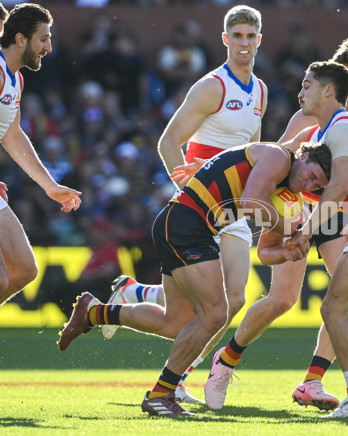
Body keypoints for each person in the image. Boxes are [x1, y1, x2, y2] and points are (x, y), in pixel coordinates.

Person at [189, 39, 348, 412]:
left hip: (346, 214)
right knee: (285, 299)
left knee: (341, 303)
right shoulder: (315, 122)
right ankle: (227, 361)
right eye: (346, 77)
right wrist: (215, 169)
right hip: (306, 208)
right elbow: (278, 154)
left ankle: (320, 381)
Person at [58, 141, 332, 418]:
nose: (308, 184)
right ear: (304, 155)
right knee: (214, 314)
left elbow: (265, 253)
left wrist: (290, 252)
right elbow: (249, 203)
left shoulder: (282, 182)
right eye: (311, 175)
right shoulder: (279, 158)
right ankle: (161, 394)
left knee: (175, 323)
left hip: (183, 222)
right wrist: (293, 230)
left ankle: (95, 313)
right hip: (189, 224)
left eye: (316, 185)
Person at [98, 5, 267, 404]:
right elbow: (168, 142)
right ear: (225, 39)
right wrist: (193, 191)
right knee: (213, 305)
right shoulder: (213, 86)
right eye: (237, 36)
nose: (244, 43)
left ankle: (134, 292)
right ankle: (178, 380)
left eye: (250, 36)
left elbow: (255, 152)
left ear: (259, 40)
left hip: (235, 210)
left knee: (235, 299)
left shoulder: (259, 89)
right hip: (203, 209)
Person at [0, 3, 81, 307]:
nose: (49, 47)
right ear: (20, 39)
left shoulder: (15, 79)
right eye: (43, 39)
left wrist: (50, 186)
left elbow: (12, 134)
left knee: (24, 270)